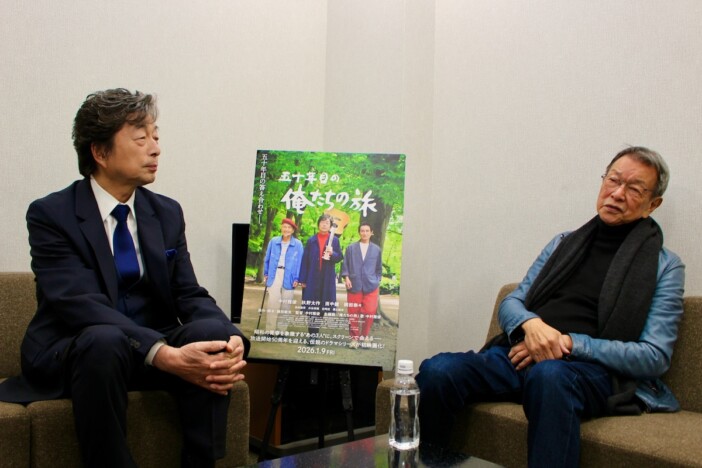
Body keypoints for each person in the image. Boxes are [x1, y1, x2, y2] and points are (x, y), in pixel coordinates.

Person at [0, 88, 249, 468]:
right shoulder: (52, 214)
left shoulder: (165, 212)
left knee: (210, 335)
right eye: (140, 138)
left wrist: (232, 338)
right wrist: (162, 353)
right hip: (80, 350)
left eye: (156, 137)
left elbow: (188, 293)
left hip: (147, 346)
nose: (155, 149)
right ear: (100, 153)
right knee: (105, 339)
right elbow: (79, 304)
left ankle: (201, 462)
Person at [416, 147, 685, 467]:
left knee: (550, 375)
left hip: (591, 372)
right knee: (438, 371)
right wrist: (532, 327)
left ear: (653, 204)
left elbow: (654, 356)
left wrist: (566, 343)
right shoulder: (563, 243)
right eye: (613, 180)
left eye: (634, 189)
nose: (617, 193)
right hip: (521, 353)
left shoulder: (665, 266)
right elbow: (513, 302)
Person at [298, 214, 343, 339]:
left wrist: (332, 253)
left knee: (322, 306)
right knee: (311, 305)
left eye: (327, 223)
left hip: (326, 278)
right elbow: (305, 260)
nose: (324, 224)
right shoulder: (311, 240)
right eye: (322, 222)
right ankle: (312, 335)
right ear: (318, 224)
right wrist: (303, 279)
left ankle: (315, 331)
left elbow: (339, 257)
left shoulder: (334, 240)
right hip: (312, 277)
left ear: (330, 226)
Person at [341, 222, 383, 349]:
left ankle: (364, 336)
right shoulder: (351, 248)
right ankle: (354, 339)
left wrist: (377, 280)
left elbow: (379, 268)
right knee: (353, 313)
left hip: (371, 285)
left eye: (367, 231)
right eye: (362, 231)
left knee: (369, 312)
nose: (364, 233)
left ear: (371, 233)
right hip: (354, 284)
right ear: (359, 232)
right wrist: (346, 277)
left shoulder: (376, 249)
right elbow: (345, 265)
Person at [262, 218, 304, 332]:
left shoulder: (298, 244)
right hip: (274, 273)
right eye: (284, 227)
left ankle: (281, 330)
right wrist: (266, 273)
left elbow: (300, 263)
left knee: (286, 304)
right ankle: (270, 330)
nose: (286, 229)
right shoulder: (273, 241)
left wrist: (297, 278)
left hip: (290, 275)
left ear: (293, 230)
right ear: (281, 228)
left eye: (289, 227)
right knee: (273, 302)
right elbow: (267, 259)